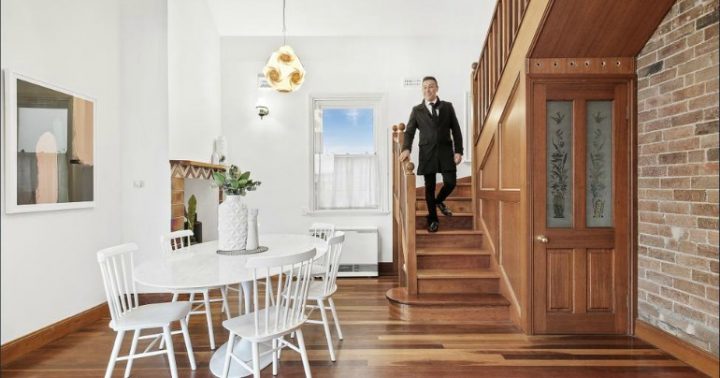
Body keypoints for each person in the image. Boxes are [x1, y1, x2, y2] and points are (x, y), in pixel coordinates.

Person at [399, 76, 463, 233]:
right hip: (427, 153)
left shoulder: (448, 107)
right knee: (429, 187)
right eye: (425, 87)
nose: (428, 90)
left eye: (431, 87)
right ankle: (433, 219)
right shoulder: (417, 110)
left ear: (437, 88)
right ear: (422, 90)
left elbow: (456, 130)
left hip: (446, 152)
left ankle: (439, 201)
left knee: (450, 182)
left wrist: (458, 151)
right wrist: (406, 148)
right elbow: (409, 132)